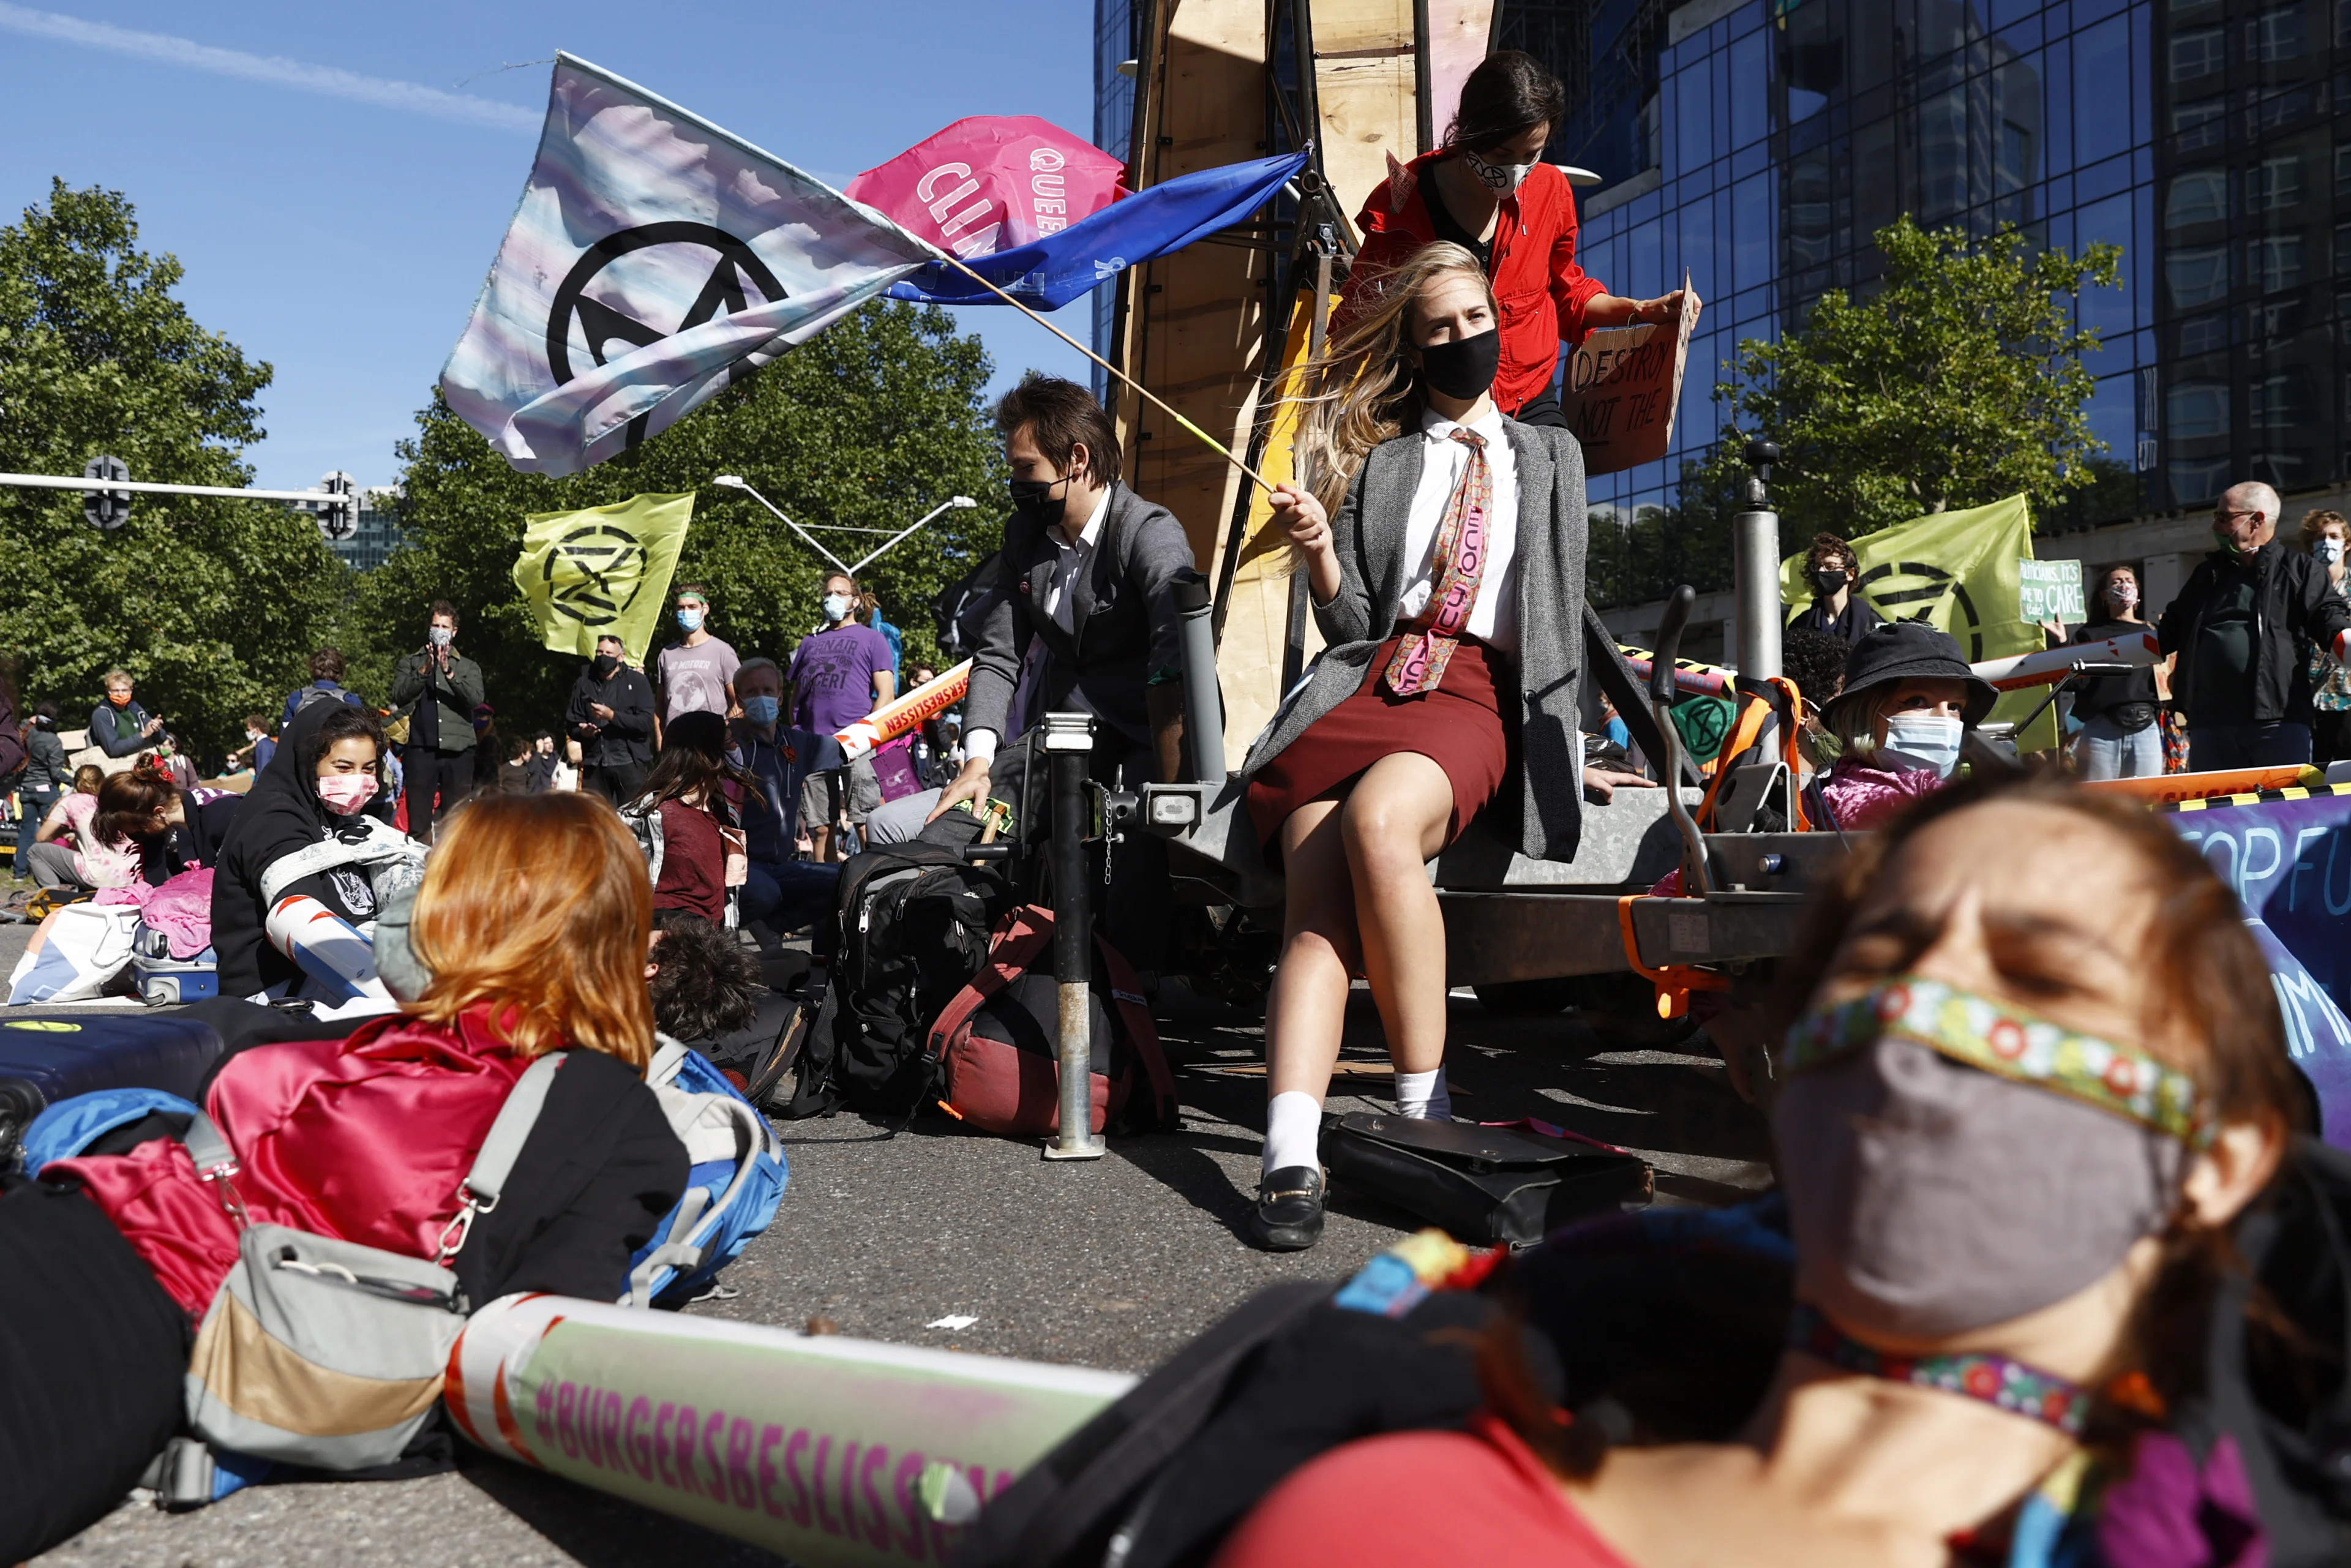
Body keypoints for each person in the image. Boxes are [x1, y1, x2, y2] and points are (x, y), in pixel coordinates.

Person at [1217, 776, 2303, 1567]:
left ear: (2218, 1157)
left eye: (2040, 979)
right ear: (1782, 1072)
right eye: (1877, 963)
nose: (1916, 1017)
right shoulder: (1400, 1511)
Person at [3, 792, 688, 1563]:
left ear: (459, 910)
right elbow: (531, 1363)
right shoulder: (608, 1113)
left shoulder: (376, 1041)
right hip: (154, 1318)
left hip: (85, 1240)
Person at [1239, 242, 1651, 1252]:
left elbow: (1560, 612)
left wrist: (1573, 741)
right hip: (1370, 683)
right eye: (1441, 328)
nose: (1465, 337)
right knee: (1313, 900)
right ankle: (1289, 1154)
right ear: (1415, 349)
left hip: (1474, 692)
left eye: (1477, 319)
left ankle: (1426, 1114)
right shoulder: (1384, 464)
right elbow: (1354, 626)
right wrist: (1321, 554)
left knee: (1380, 825)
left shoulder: (1549, 455)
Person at [1337, 52, 1696, 428]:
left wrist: (1641, 310)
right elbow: (1358, 319)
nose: (1515, 170)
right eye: (1502, 154)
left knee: (1562, 465)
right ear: (1469, 132)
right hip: (1428, 407)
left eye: (1531, 154)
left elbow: (1567, 293)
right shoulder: (1401, 206)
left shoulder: (1550, 190)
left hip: (1529, 403)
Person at [209, 700, 421, 1002]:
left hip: (341, 967)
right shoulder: (273, 819)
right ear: (310, 762)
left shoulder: (341, 818)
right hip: (281, 990)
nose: (358, 780)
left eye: (368, 769)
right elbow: (305, 925)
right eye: (343, 767)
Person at [2159, 481, 2351, 771]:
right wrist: (2096, 655)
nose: (2215, 526)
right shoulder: (2206, 575)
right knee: (2215, 803)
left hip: (2278, 723)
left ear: (2256, 520)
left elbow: (2328, 618)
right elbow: (2167, 633)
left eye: (2224, 516)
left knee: (2284, 801)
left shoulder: (2299, 569)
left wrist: (2343, 639)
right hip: (2210, 725)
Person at [1812, 619, 1995, 832]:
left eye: (1955, 707)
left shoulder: (1936, 798)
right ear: (1860, 714)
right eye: (1917, 701)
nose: (1944, 719)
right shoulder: (1875, 807)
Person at [729, 656, 843, 934]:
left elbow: (846, 748)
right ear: (739, 700)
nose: (761, 697)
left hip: (783, 865)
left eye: (768, 691)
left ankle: (778, 925)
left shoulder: (797, 742)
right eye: (752, 692)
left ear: (780, 698)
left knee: (848, 879)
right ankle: (715, 937)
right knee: (764, 893)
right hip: (740, 866)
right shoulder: (727, 742)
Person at [790, 570, 894, 861]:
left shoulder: (873, 639)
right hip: (814, 745)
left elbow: (886, 694)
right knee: (821, 828)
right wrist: (797, 731)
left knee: (864, 822)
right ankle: (823, 883)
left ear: (856, 601)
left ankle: (872, 881)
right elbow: (795, 696)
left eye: (840, 593)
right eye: (828, 594)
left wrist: (865, 736)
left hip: (857, 744)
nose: (832, 598)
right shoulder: (810, 642)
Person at [624, 710, 753, 930]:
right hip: (669, 939)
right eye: (729, 742)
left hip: (711, 942)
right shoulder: (649, 816)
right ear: (706, 754)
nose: (736, 751)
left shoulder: (725, 815)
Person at [388, 600, 486, 844]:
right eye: (435, 626)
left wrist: (448, 671)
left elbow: (475, 699)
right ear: (429, 628)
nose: (440, 630)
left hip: (459, 751)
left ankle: (454, 862)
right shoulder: (412, 662)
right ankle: (421, 864)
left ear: (454, 631)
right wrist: (425, 669)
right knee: (418, 821)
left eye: (445, 626)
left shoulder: (468, 666)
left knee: (456, 820)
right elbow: (399, 695)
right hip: (420, 748)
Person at [2060, 564, 2167, 781]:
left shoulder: (2153, 631)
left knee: (2148, 796)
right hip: (2102, 730)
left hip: (2146, 729)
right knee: (2098, 797)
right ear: (2104, 595)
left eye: (2129, 581)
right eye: (2117, 582)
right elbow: (2074, 683)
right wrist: (2062, 643)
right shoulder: (2089, 634)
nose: (2124, 586)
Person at [23, 766, 171, 890]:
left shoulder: (72, 801)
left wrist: (66, 831)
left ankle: (54, 895)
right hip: (132, 877)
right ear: (102, 782)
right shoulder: (115, 802)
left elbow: (42, 837)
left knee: (36, 851)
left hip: (97, 876)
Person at [567, 633, 660, 806]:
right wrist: (582, 732)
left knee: (632, 818)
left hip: (630, 764)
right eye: (600, 652)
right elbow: (571, 723)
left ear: (621, 657)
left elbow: (647, 722)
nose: (603, 657)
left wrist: (612, 716)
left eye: (609, 653)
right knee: (596, 818)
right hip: (595, 765)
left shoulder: (637, 681)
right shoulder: (584, 683)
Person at [2298, 509, 2351, 770]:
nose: (2327, 543)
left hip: (2347, 701)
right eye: (2320, 538)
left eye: (2334, 536)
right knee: (2309, 778)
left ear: (2346, 543)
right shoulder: (2299, 590)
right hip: (2305, 701)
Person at [655, 584, 741, 725]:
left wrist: (725, 732)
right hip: (675, 737)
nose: (686, 612)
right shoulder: (666, 654)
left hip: (712, 735)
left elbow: (741, 702)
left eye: (692, 607)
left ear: (705, 609)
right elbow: (659, 706)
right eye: (681, 608)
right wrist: (660, 737)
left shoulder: (723, 651)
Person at [1787, 533, 1883, 644]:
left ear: (1850, 574)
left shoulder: (1870, 624)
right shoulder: (1801, 625)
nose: (1821, 571)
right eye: (1817, 567)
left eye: (1830, 567)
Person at [15, 700, 67, 855]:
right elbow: (56, 772)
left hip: (26, 787)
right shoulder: (53, 741)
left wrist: (28, 721)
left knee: (26, 830)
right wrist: (73, 780)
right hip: (46, 790)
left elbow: (21, 727)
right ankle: (47, 863)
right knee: (49, 832)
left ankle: (20, 868)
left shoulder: (29, 733)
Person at [279, 645, 364, 732]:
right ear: (340, 672)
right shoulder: (350, 700)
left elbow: (284, 735)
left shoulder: (297, 698)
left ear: (313, 670)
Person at [88, 667, 164, 760]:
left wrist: (156, 729)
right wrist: (143, 735)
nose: (120, 695)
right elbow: (113, 749)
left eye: (124, 690)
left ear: (131, 690)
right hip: (117, 766)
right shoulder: (102, 714)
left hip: (142, 763)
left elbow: (162, 738)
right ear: (108, 691)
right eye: (115, 691)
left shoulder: (135, 709)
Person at [225, 712, 276, 777]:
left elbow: (262, 772)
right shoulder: (270, 743)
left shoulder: (262, 745)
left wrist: (256, 783)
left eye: (249, 730)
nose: (247, 732)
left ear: (257, 730)